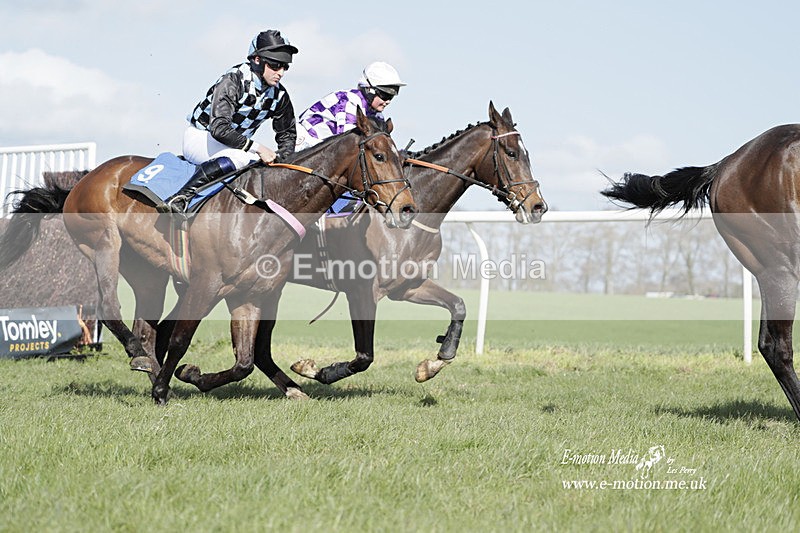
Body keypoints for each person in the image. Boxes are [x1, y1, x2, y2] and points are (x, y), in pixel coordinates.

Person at [158, 30, 299, 213]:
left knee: (259, 165)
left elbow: (287, 133)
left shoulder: (279, 95)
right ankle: (181, 197)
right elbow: (219, 128)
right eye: (275, 65)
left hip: (233, 145)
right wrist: (258, 147)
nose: (280, 73)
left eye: (284, 67)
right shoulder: (233, 80)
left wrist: (282, 159)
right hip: (203, 137)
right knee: (243, 157)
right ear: (257, 60)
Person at [295, 61, 406, 150]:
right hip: (305, 140)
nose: (388, 101)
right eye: (385, 95)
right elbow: (348, 143)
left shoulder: (377, 115)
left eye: (391, 97)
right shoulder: (351, 101)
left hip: (323, 145)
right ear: (369, 90)